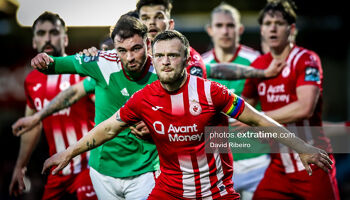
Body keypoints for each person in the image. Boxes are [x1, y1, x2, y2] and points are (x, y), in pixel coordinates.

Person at [38, 30, 333, 200]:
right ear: (153, 58)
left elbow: (258, 119)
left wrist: (304, 147)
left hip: (215, 193)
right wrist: (69, 152)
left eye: (173, 55)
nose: (166, 62)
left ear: (186, 57)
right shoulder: (143, 99)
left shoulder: (211, 92)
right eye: (161, 56)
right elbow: (107, 129)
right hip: (169, 193)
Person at [28, 15, 160, 200]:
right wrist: (43, 61)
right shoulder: (102, 62)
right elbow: (56, 66)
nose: (129, 58)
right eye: (122, 50)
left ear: (148, 42)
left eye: (136, 49)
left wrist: (157, 126)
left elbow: (189, 116)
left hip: (144, 172)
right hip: (102, 172)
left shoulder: (165, 70)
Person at [241, 0, 340, 199]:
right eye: (268, 24)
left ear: (291, 29)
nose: (273, 28)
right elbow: (245, 103)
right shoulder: (259, 65)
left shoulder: (306, 59)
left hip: (313, 160)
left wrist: (260, 118)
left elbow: (305, 108)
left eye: (278, 23)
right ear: (261, 31)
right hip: (279, 166)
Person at [9, 12, 97, 200]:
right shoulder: (31, 81)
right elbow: (31, 126)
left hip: (90, 168)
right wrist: (20, 166)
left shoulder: (82, 68)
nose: (48, 38)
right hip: (57, 173)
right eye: (41, 33)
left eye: (54, 32)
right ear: (34, 42)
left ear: (65, 39)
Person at [202, 3, 274, 199]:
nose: (225, 31)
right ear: (210, 29)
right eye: (219, 25)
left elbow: (272, 103)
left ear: (240, 29)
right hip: (217, 161)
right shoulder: (200, 66)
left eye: (230, 25)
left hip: (256, 158)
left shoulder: (256, 61)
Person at [136, 0, 207, 78]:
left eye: (159, 17)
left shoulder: (190, 59)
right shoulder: (129, 56)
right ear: (137, 26)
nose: (152, 22)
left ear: (170, 25)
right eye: (145, 18)